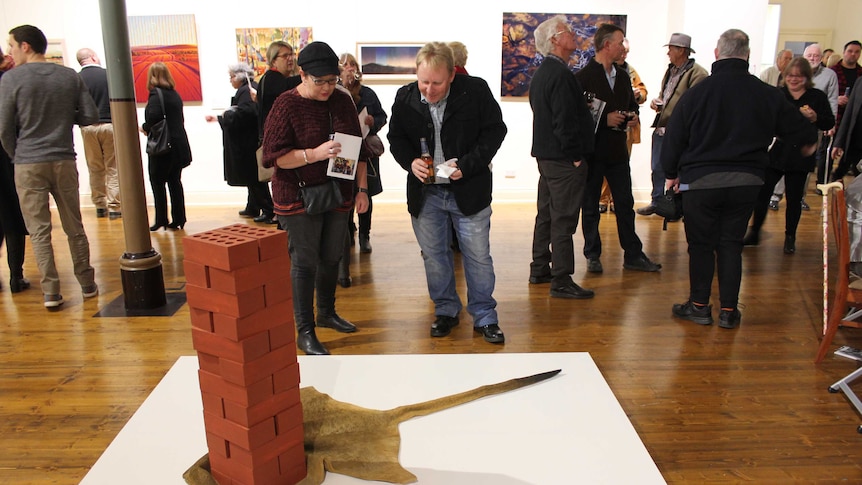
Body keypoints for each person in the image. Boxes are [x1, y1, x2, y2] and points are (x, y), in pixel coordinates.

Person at [661, 28, 818, 329]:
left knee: (702, 245)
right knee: (731, 244)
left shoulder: (698, 92)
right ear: (746, 55)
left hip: (701, 182)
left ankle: (699, 306)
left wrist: (670, 174)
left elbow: (674, 138)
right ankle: (729, 312)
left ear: (717, 54)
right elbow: (802, 131)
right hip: (747, 181)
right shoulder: (766, 93)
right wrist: (808, 142)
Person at [388, 41, 508, 343]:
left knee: (478, 257)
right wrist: (410, 162)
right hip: (425, 194)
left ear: (452, 74)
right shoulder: (405, 97)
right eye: (424, 81)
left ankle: (484, 316)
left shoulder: (475, 91)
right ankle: (446, 310)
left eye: (437, 83)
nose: (429, 89)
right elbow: (396, 138)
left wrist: (466, 165)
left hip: (468, 191)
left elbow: (495, 131)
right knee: (434, 256)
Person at [261, 41, 370, 356]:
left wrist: (361, 190)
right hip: (297, 196)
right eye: (319, 81)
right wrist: (314, 154)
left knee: (332, 257)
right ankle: (305, 330)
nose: (326, 87)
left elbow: (358, 148)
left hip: (338, 192)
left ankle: (327, 313)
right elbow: (274, 158)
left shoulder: (342, 101)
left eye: (331, 80)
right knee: (305, 262)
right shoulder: (285, 105)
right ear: (302, 75)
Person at [0, 25, 99, 308]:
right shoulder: (69, 76)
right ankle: (87, 282)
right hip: (63, 158)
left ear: (26, 46)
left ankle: (52, 292)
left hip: (28, 162)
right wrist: (62, 118)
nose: (10, 51)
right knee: (74, 226)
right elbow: (90, 116)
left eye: (11, 45)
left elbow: (5, 128)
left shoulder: (11, 79)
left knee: (40, 230)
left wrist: (15, 155)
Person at [575, 24, 661, 274]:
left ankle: (633, 254)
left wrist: (632, 117)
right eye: (620, 41)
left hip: (617, 152)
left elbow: (631, 105)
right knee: (590, 204)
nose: (624, 47)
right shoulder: (582, 78)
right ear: (606, 45)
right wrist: (604, 120)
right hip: (592, 152)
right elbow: (577, 117)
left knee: (625, 202)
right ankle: (592, 254)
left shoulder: (623, 76)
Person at [527, 16, 595, 299]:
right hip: (564, 160)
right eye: (568, 31)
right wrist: (576, 156)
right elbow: (564, 121)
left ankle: (540, 267)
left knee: (546, 213)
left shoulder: (544, 73)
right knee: (564, 219)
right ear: (555, 40)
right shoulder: (561, 74)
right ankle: (562, 279)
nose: (574, 35)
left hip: (547, 157)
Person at [744, 57, 835, 254]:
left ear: (806, 77)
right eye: (790, 76)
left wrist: (815, 117)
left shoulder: (816, 97)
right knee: (762, 195)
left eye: (799, 76)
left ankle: (790, 237)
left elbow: (828, 123)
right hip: (777, 151)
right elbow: (765, 120)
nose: (794, 80)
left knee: (794, 199)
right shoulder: (778, 94)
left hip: (802, 153)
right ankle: (754, 232)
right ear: (784, 76)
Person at [637, 33, 708, 216]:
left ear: (681, 50)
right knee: (658, 167)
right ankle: (658, 202)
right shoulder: (671, 70)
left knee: (680, 170)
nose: (668, 53)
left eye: (671, 48)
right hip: (662, 129)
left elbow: (694, 104)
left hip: (680, 131)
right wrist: (657, 103)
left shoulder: (698, 73)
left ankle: (678, 205)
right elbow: (666, 96)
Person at [335, 53, 387, 288]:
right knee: (345, 193)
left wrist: (372, 122)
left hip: (365, 149)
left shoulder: (367, 93)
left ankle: (365, 234)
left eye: (352, 65)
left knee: (364, 193)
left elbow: (382, 116)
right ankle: (348, 232)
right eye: (344, 65)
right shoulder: (334, 92)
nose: (349, 69)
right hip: (343, 152)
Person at [205, 63, 276, 224]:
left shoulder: (245, 91)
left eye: (231, 77)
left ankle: (267, 209)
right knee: (251, 177)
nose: (230, 80)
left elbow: (247, 113)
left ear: (239, 76)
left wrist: (224, 116)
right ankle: (253, 206)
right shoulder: (248, 89)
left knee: (254, 178)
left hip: (248, 142)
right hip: (249, 140)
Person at [252, 41, 301, 224]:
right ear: (274, 60)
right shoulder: (274, 79)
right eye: (285, 56)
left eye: (291, 54)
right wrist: (309, 74)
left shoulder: (269, 79)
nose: (290, 59)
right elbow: (289, 87)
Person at [142, 62, 192, 231]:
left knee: (157, 182)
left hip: (163, 146)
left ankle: (161, 218)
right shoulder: (174, 94)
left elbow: (154, 117)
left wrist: (145, 127)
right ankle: (179, 218)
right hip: (178, 144)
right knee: (175, 182)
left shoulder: (156, 94)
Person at [601, 38, 647, 214]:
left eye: (627, 51)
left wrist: (637, 96)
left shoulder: (630, 71)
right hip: (607, 126)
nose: (624, 54)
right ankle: (603, 198)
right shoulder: (604, 70)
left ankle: (616, 200)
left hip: (626, 127)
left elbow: (643, 92)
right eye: (622, 50)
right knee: (604, 165)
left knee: (622, 163)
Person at [77, 48, 120, 219]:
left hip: (87, 127)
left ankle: (100, 205)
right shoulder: (108, 75)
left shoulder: (77, 78)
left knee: (94, 167)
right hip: (109, 124)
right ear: (94, 57)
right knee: (113, 167)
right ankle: (115, 207)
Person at [0, 46, 29, 293]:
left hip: (8, 153)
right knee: (11, 216)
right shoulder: (8, 80)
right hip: (7, 157)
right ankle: (15, 276)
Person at [804, 43, 839, 187]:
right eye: (810, 55)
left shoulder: (829, 75)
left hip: (816, 124)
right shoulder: (797, 71)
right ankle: (776, 195)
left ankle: (801, 196)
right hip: (794, 124)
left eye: (816, 55)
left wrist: (832, 123)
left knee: (807, 161)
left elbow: (832, 99)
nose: (813, 58)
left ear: (822, 57)